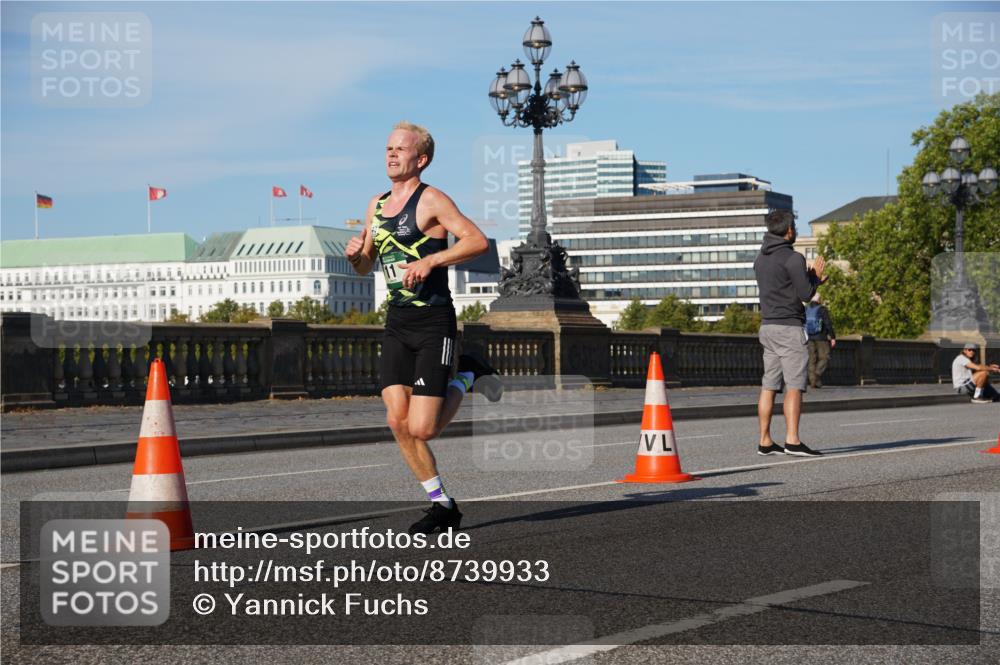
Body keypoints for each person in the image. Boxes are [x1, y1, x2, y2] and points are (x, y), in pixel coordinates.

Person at [345, 121, 504, 534]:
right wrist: (355, 257)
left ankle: (469, 372)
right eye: (388, 149)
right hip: (397, 322)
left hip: (435, 323)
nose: (391, 155)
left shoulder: (431, 199)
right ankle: (442, 504)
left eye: (401, 149)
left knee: (423, 428)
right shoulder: (376, 206)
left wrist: (432, 260)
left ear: (421, 159)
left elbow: (477, 240)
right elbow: (367, 264)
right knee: (397, 422)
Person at [753, 209, 826, 457]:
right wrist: (814, 277)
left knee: (769, 385)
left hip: (767, 326)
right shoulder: (793, 258)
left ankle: (765, 440)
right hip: (789, 327)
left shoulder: (760, 259)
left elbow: (782, 287)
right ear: (789, 230)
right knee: (794, 384)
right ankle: (792, 440)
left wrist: (807, 279)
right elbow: (806, 295)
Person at [805, 293, 836, 388]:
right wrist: (832, 337)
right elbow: (828, 323)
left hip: (809, 337)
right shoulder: (822, 309)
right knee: (825, 357)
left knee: (811, 360)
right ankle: (817, 374)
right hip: (821, 338)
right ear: (819, 299)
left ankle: (813, 382)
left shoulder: (806, 309)